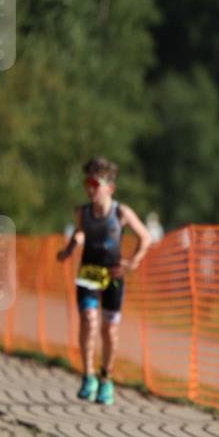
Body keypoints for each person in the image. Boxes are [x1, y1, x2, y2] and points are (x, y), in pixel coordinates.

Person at [56, 157, 152, 406]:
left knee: (109, 330)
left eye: (95, 183)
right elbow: (79, 232)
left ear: (110, 187)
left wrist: (132, 263)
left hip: (113, 277)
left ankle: (106, 380)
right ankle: (88, 376)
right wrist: (69, 248)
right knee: (88, 320)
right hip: (88, 273)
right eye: (87, 182)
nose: (90, 188)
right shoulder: (82, 212)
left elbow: (146, 237)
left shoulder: (121, 212)